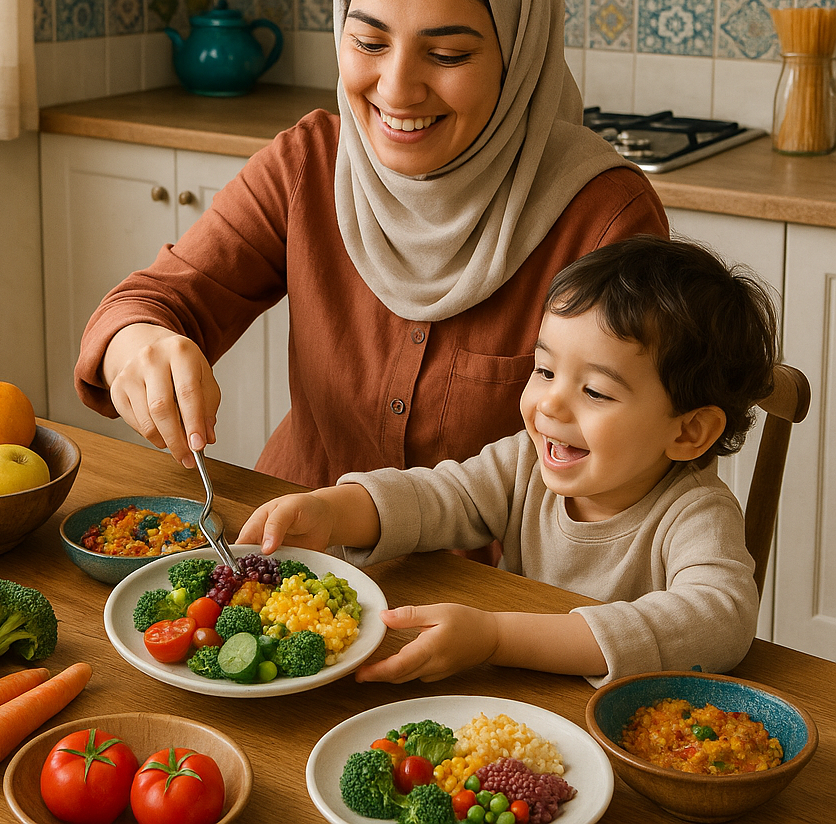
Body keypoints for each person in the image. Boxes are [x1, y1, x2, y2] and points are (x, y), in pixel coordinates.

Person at [74, 0, 668, 506]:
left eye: (446, 55)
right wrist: (137, 344)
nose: (396, 88)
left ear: (521, 56)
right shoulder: (309, 163)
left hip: (487, 596)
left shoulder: (602, 219)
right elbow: (149, 301)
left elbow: (631, 469)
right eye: (368, 43)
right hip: (291, 558)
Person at [237, 235, 778, 687]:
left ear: (689, 431)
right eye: (544, 370)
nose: (549, 404)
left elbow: (721, 620)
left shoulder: (695, 512)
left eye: (595, 391)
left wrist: (497, 637)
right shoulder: (527, 462)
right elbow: (441, 496)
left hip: (613, 733)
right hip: (506, 697)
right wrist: (334, 510)